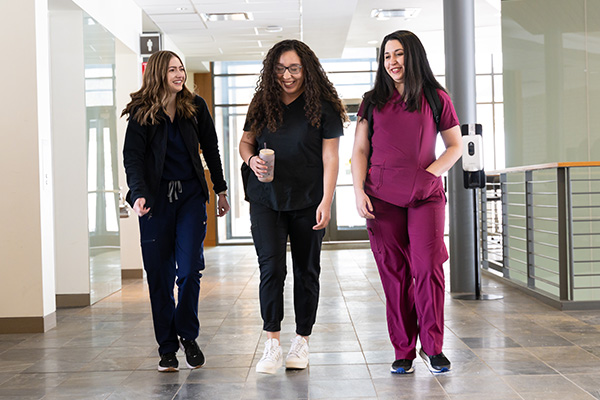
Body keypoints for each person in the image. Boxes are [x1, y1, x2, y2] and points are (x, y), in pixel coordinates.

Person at [351, 30, 462, 374]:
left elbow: (455, 146)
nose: (392, 62)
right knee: (394, 274)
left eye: (398, 54)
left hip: (425, 196)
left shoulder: (435, 97)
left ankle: (433, 347)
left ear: (412, 56)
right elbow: (359, 150)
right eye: (387, 56)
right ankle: (403, 350)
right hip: (382, 197)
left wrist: (430, 175)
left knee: (427, 268)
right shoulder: (372, 100)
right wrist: (358, 191)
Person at [239, 39, 347, 374]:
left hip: (308, 200)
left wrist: (327, 201)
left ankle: (302, 340)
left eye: (294, 68)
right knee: (272, 269)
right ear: (272, 70)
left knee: (306, 271)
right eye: (281, 68)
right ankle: (272, 342)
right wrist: (251, 158)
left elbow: (331, 157)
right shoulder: (262, 102)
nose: (287, 75)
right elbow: (245, 143)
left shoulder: (324, 106)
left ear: (307, 69)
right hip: (266, 200)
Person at [122, 50, 230, 372]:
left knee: (189, 270)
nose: (179, 74)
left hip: (190, 199)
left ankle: (188, 335)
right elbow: (133, 159)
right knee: (160, 275)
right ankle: (167, 348)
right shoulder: (142, 112)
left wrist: (220, 190)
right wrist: (139, 195)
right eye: (172, 70)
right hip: (155, 204)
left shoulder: (195, 107)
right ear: (158, 73)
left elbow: (211, 148)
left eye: (181, 69)